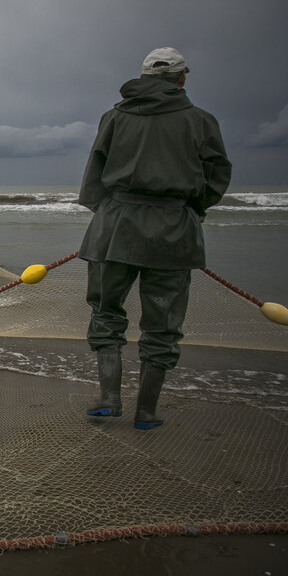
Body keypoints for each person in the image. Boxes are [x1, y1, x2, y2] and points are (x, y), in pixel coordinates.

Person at [79, 46, 231, 430]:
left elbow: (94, 177)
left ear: (145, 77)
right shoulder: (201, 120)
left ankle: (109, 396)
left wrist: (110, 215)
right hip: (174, 231)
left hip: (115, 228)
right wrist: (191, 210)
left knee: (106, 311)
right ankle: (145, 411)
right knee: (162, 324)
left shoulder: (114, 117)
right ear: (181, 78)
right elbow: (217, 177)